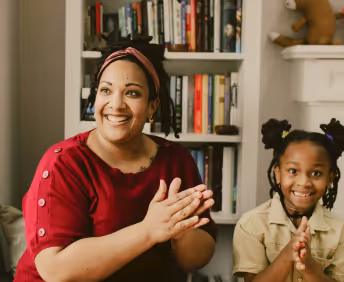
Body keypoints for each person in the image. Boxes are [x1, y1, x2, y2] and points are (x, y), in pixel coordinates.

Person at [15, 36, 217, 282]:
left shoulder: (176, 160)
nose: (116, 104)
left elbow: (196, 258)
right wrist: (149, 230)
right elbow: (55, 270)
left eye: (132, 92)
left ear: (153, 106)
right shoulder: (64, 163)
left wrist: (179, 230)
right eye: (106, 90)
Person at [232, 118, 344, 282]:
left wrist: (310, 267)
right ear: (277, 173)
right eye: (293, 170)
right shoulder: (251, 224)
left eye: (316, 173)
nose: (303, 182)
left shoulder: (342, 232)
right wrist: (286, 256)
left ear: (330, 179)